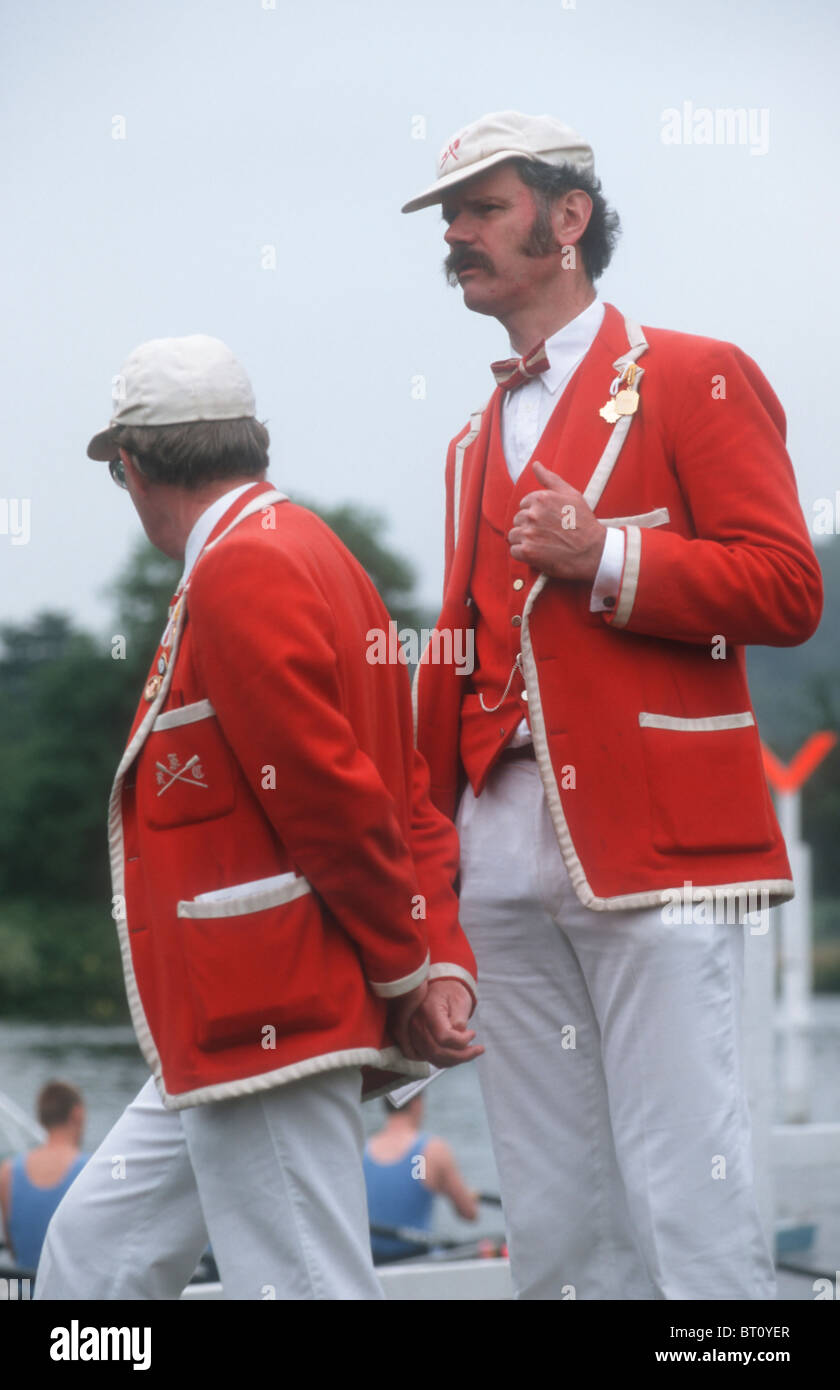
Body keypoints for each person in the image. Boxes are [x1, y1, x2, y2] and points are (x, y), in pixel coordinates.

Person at [402, 111, 823, 1300]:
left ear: (568, 217)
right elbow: (462, 650)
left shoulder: (699, 372)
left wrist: (609, 561)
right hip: (498, 839)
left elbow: (789, 588)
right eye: (450, 217)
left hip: (660, 836)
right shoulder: (467, 439)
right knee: (552, 1202)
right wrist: (428, 876)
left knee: (691, 1179)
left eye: (482, 209)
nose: (457, 235)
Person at [35, 334, 481, 1301]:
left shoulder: (240, 568)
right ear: (251, 441)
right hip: (232, 1020)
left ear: (136, 466)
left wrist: (409, 968)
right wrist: (433, 954)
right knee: (91, 1258)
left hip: (268, 1009)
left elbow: (333, 799)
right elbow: (406, 793)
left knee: (303, 1287)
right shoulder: (322, 555)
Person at [363, 1096, 478, 1261]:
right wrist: (465, 1194)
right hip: (418, 1259)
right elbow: (469, 1213)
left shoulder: (362, 1151)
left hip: (375, 1263)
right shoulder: (432, 1151)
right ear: (417, 1102)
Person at [0, 1081, 87, 1271]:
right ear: (77, 1113)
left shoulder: (8, 1172)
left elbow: (14, 1249)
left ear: (41, 1117)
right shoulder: (89, 1170)